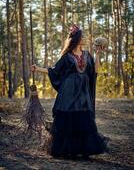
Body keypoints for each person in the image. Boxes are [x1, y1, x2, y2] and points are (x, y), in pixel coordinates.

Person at [31, 24, 109, 159]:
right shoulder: (67, 57)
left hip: (83, 92)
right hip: (68, 92)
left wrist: (97, 54)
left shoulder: (87, 55)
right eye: (82, 37)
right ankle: (66, 150)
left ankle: (82, 149)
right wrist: (37, 68)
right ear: (77, 39)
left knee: (84, 118)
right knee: (67, 119)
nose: (84, 39)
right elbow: (54, 70)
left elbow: (95, 71)